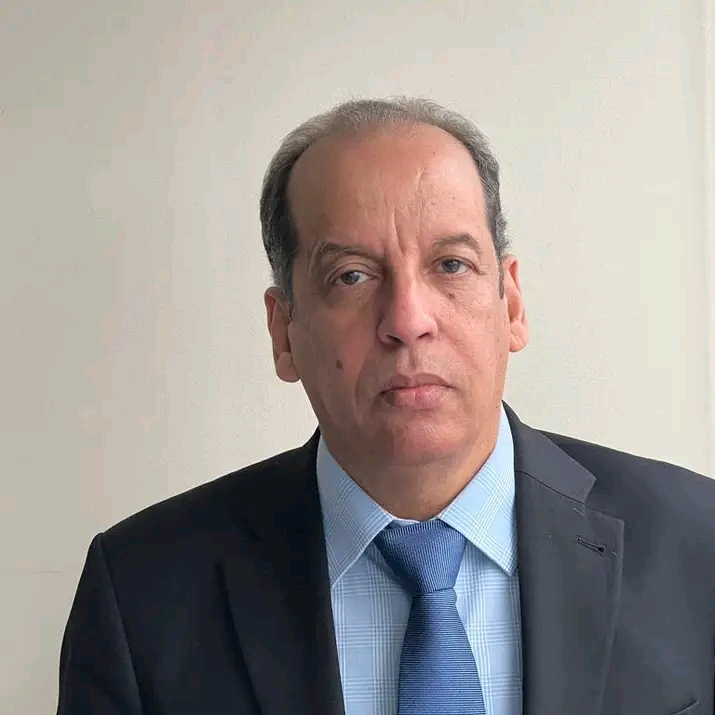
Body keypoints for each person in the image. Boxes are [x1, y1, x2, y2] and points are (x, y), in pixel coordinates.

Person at [57, 97, 714, 715]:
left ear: (511, 304)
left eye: (450, 265)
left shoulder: (697, 544)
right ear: (284, 332)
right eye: (351, 276)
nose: (407, 320)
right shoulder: (142, 594)